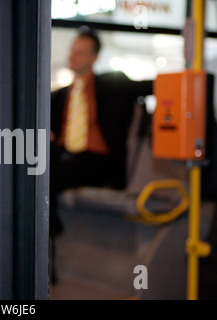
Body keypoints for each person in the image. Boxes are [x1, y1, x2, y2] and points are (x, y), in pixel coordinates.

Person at [49, 29, 153, 281]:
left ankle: (48, 231)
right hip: (62, 159)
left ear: (94, 57)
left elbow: (153, 86)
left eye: (79, 52)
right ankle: (47, 234)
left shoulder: (112, 85)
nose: (72, 56)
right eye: (72, 51)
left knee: (51, 170)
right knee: (37, 165)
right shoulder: (58, 96)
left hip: (97, 161)